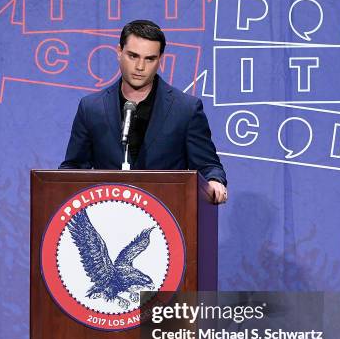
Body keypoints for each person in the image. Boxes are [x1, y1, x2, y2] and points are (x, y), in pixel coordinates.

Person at [60, 20, 228, 204]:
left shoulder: (186, 109)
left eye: (150, 59)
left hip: (168, 217)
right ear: (119, 52)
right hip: (108, 219)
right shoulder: (92, 107)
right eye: (133, 56)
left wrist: (215, 181)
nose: (140, 67)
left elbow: (208, 165)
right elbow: (73, 169)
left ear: (160, 59)